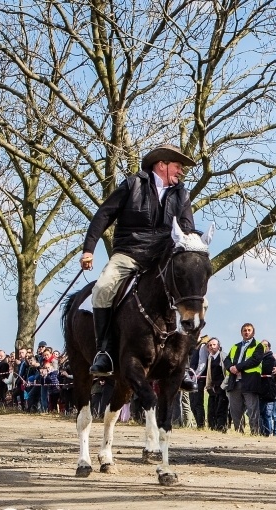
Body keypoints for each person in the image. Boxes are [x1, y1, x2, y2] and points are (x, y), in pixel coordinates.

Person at [80, 144, 198, 389]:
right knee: (102, 288)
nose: (181, 171)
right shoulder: (132, 185)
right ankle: (104, 351)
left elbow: (187, 228)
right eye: (178, 166)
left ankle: (183, 363)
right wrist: (88, 249)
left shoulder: (182, 194)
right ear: (162, 165)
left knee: (191, 295)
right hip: (129, 253)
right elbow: (104, 215)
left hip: (162, 258)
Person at [224, 323, 263, 434]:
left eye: (249, 330)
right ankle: (238, 432)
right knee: (235, 410)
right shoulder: (235, 346)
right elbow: (227, 360)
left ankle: (254, 432)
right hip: (234, 382)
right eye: (244, 330)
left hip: (250, 382)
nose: (247, 332)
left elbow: (255, 360)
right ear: (241, 332)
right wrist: (230, 368)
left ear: (253, 332)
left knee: (252, 409)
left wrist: (238, 367)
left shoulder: (258, 346)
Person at [203, 337, 229, 432]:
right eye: (210, 345)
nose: (212, 347)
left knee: (221, 409)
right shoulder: (210, 357)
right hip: (213, 387)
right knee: (211, 409)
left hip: (223, 387)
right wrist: (208, 386)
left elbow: (228, 373)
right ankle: (212, 428)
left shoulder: (224, 356)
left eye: (214, 345)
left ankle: (221, 428)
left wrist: (223, 386)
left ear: (218, 346)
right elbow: (209, 373)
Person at [258, 340, 276, 437]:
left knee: (268, 413)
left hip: (269, 390)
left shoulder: (270, 359)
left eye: (266, 346)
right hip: (261, 390)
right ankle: (264, 431)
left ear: (269, 347)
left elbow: (267, 372)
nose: (264, 347)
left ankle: (269, 432)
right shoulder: (260, 358)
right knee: (262, 413)